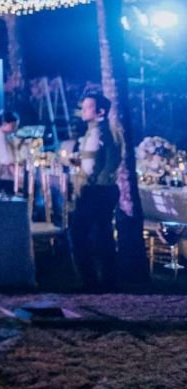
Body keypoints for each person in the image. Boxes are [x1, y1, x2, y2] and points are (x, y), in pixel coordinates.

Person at [68, 91, 120, 291]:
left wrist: (89, 182)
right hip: (101, 189)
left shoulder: (101, 132)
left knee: (79, 233)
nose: (83, 110)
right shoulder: (100, 131)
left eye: (88, 107)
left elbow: (100, 164)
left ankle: (89, 281)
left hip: (96, 191)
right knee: (102, 234)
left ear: (100, 112)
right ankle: (106, 280)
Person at [0, 110, 21, 194]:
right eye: (13, 126)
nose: (15, 129)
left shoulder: (4, 135)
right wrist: (16, 175)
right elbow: (5, 159)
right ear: (4, 123)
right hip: (4, 175)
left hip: (7, 174)